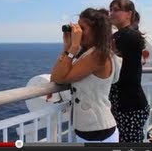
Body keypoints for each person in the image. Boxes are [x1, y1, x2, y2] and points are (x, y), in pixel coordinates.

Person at [50, 8, 121, 142]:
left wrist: (72, 48)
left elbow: (60, 78)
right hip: (91, 130)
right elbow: (55, 78)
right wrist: (67, 48)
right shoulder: (88, 53)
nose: (78, 32)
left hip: (98, 131)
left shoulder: (97, 55)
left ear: (96, 31)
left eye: (82, 28)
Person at [108, 0, 150, 142]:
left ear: (128, 14)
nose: (111, 13)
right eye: (111, 9)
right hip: (127, 104)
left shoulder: (127, 35)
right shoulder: (122, 35)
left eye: (116, 9)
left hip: (129, 106)